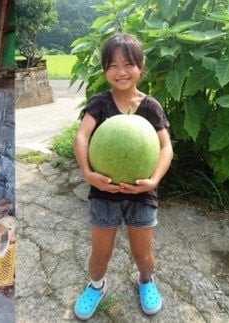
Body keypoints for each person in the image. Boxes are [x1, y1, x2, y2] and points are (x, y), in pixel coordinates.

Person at [72, 33, 173, 319]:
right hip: (103, 193)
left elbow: (166, 146)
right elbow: (81, 136)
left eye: (128, 64)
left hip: (142, 194)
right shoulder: (100, 103)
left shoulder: (150, 106)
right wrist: (87, 173)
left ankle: (146, 280)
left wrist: (154, 180)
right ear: (104, 69)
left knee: (143, 255)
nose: (121, 72)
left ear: (141, 67)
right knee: (100, 255)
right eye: (113, 65)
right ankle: (96, 286)